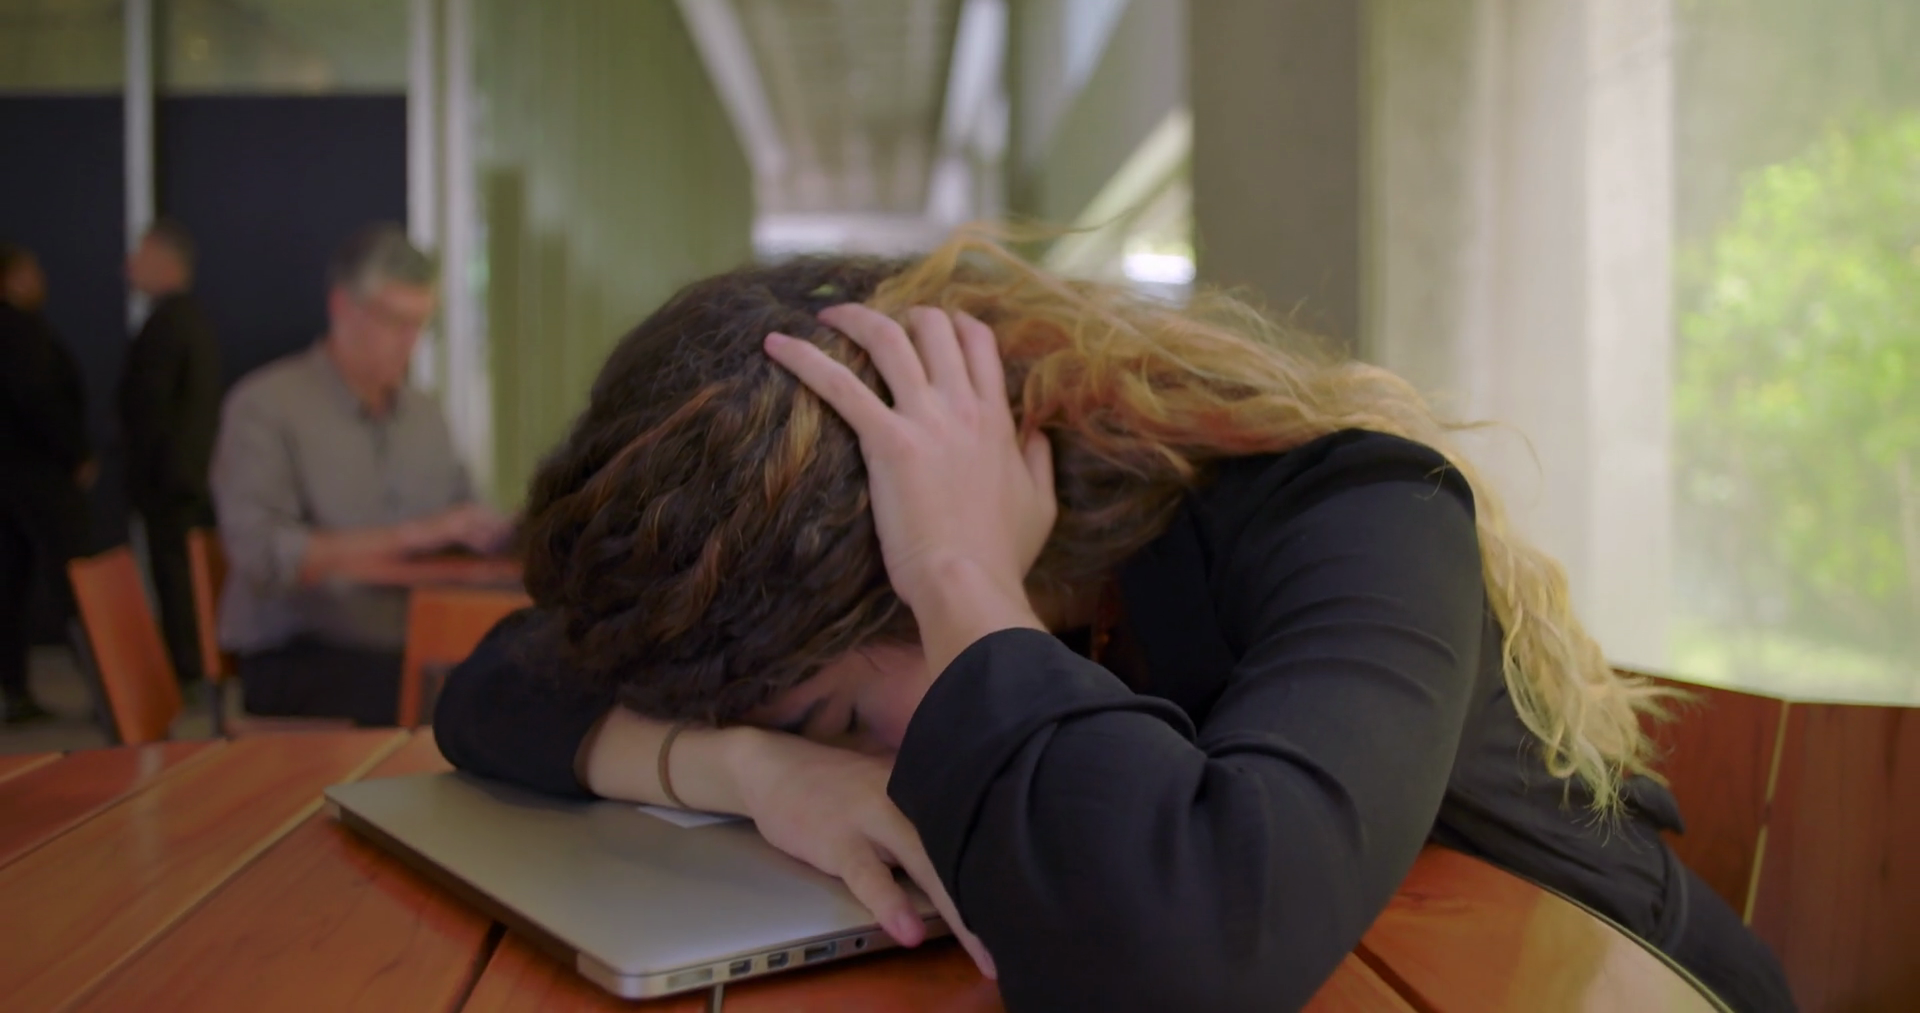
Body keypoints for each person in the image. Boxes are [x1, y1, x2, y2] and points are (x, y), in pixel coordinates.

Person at [433, 234, 1795, 1012]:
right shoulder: (812, 676)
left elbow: (1199, 932)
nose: (870, 756)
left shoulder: (1361, 510)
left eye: (843, 714)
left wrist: (966, 580)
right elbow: (499, 686)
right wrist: (760, 767)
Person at [210, 224, 510, 725]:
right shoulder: (265, 405)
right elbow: (262, 553)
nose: (410, 342)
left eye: (421, 324)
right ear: (343, 308)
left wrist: (498, 534)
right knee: (468, 706)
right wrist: (411, 536)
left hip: (408, 641)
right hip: (303, 647)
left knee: (531, 680)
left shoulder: (424, 414)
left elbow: (463, 519)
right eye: (395, 321)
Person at [119, 218, 222, 691]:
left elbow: (149, 408)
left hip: (169, 479)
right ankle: (190, 664)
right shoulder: (191, 321)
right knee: (182, 576)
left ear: (166, 262)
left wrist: (145, 472)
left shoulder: (167, 325)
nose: (128, 267)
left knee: (176, 578)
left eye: (140, 257)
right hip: (187, 474)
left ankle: (186, 667)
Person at [0, 243, 95, 724]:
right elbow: (37, 396)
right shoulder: (20, 330)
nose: (41, 277)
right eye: (33, 269)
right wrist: (74, 452)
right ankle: (114, 689)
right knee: (78, 579)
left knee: (9, 581)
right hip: (37, 474)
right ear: (13, 278)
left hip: (10, 477)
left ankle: (13, 689)